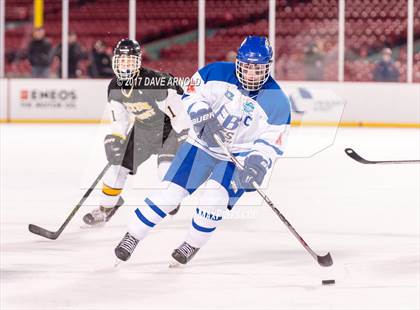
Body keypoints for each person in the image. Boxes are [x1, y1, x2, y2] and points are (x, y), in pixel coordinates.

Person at [114, 36, 291, 265]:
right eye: (247, 68)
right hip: (201, 146)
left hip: (238, 156)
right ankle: (132, 236)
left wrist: (257, 163)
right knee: (169, 193)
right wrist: (201, 114)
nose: (251, 75)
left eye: (258, 70)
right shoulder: (215, 72)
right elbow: (191, 93)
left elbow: (272, 141)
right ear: (238, 63)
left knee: (214, 200)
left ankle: (191, 244)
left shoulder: (277, 100)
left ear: (268, 67)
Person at [82, 38, 188, 226]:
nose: (125, 66)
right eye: (122, 61)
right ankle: (106, 209)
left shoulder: (154, 82)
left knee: (165, 173)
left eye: (129, 61)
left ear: (138, 62)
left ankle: (171, 199)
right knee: (117, 169)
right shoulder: (114, 87)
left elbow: (178, 114)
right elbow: (119, 119)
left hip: (168, 132)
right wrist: (115, 140)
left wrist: (184, 136)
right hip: (142, 131)